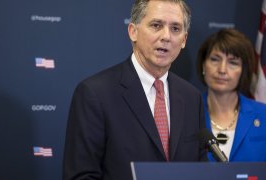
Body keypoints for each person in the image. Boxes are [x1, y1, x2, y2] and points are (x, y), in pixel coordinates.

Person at [63, 0, 207, 179]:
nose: (166, 36)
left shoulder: (192, 97)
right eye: (156, 25)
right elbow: (81, 175)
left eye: (175, 29)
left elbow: (200, 171)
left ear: (184, 40)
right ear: (133, 31)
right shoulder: (95, 94)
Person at [196, 28, 266, 161]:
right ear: (203, 65)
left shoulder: (263, 116)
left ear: (243, 70)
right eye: (215, 59)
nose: (222, 70)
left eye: (233, 63)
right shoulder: (186, 114)